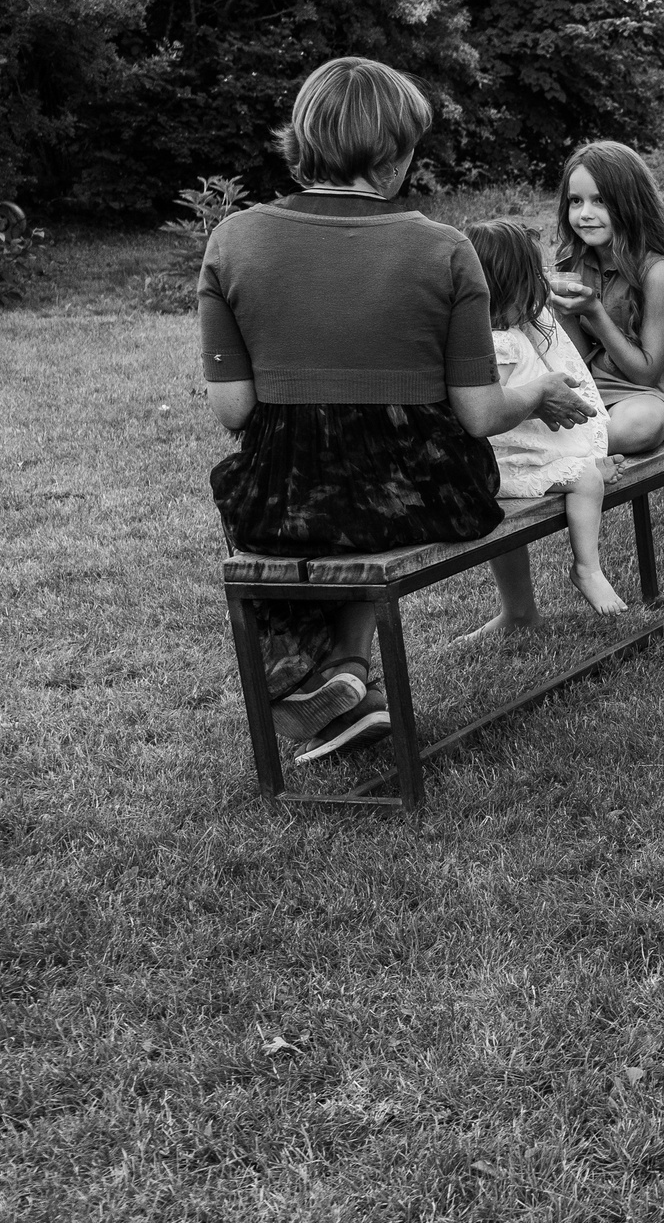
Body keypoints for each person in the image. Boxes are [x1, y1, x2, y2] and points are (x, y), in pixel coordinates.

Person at [201, 57, 594, 763]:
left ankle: (328, 675)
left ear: (303, 139)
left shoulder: (232, 240)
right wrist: (535, 390)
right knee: (358, 496)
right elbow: (477, 415)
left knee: (292, 500)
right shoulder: (444, 248)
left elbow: (233, 409)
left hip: (284, 495)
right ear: (392, 153)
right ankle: (342, 676)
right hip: (422, 489)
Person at [462, 221, 623, 631]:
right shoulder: (497, 344)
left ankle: (577, 466)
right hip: (507, 459)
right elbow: (491, 410)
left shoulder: (513, 329)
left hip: (526, 447)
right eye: (533, 276)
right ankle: (587, 568)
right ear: (508, 285)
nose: (541, 284)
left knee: (585, 470)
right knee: (586, 479)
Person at [546, 141, 664, 455]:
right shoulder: (573, 261)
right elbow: (579, 358)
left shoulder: (658, 272)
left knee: (637, 426)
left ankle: (553, 450)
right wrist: (560, 311)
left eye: (600, 201)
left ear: (630, 203)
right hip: (595, 382)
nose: (585, 214)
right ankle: (570, 447)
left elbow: (646, 373)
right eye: (575, 201)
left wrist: (593, 310)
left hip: (651, 393)